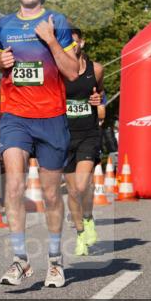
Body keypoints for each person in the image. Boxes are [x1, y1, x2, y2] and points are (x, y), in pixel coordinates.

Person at [0, 0, 79, 288]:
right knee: (14, 186)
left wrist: (51, 41)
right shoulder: (4, 25)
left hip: (51, 117)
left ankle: (55, 262)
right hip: (15, 115)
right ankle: (20, 260)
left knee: (51, 194)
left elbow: (72, 72)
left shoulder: (57, 22)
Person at [64, 27, 104, 256]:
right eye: (67, 43)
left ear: (82, 43)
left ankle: (88, 218)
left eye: (75, 42)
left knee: (81, 186)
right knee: (72, 191)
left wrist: (98, 100)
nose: (71, 46)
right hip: (64, 136)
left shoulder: (95, 69)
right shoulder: (58, 71)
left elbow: (100, 94)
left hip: (88, 134)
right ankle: (80, 233)